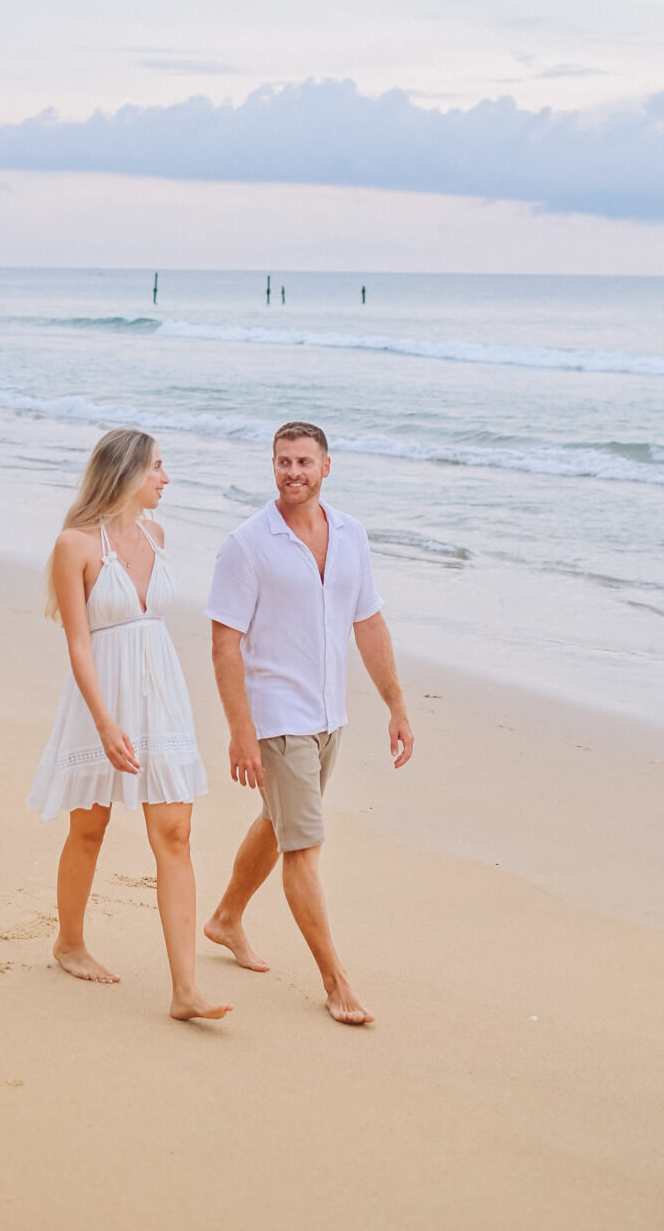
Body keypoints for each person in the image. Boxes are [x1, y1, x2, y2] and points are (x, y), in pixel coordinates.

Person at [202, 421, 413, 1024]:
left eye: (303, 462)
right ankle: (336, 981)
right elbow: (224, 645)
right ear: (272, 466)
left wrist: (396, 706)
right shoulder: (247, 544)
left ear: (326, 466)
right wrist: (241, 731)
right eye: (282, 462)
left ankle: (225, 918)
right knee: (304, 847)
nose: (292, 472)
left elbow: (368, 623)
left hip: (328, 716)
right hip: (278, 718)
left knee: (279, 823)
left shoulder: (350, 535)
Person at [28, 427, 230, 1023]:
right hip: (101, 701)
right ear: (126, 474)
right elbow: (79, 645)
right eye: (157, 467)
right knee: (89, 829)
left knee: (176, 834)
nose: (166, 478)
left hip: (160, 696)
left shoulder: (156, 536)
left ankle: (185, 990)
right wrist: (104, 722)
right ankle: (69, 942)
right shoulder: (74, 545)